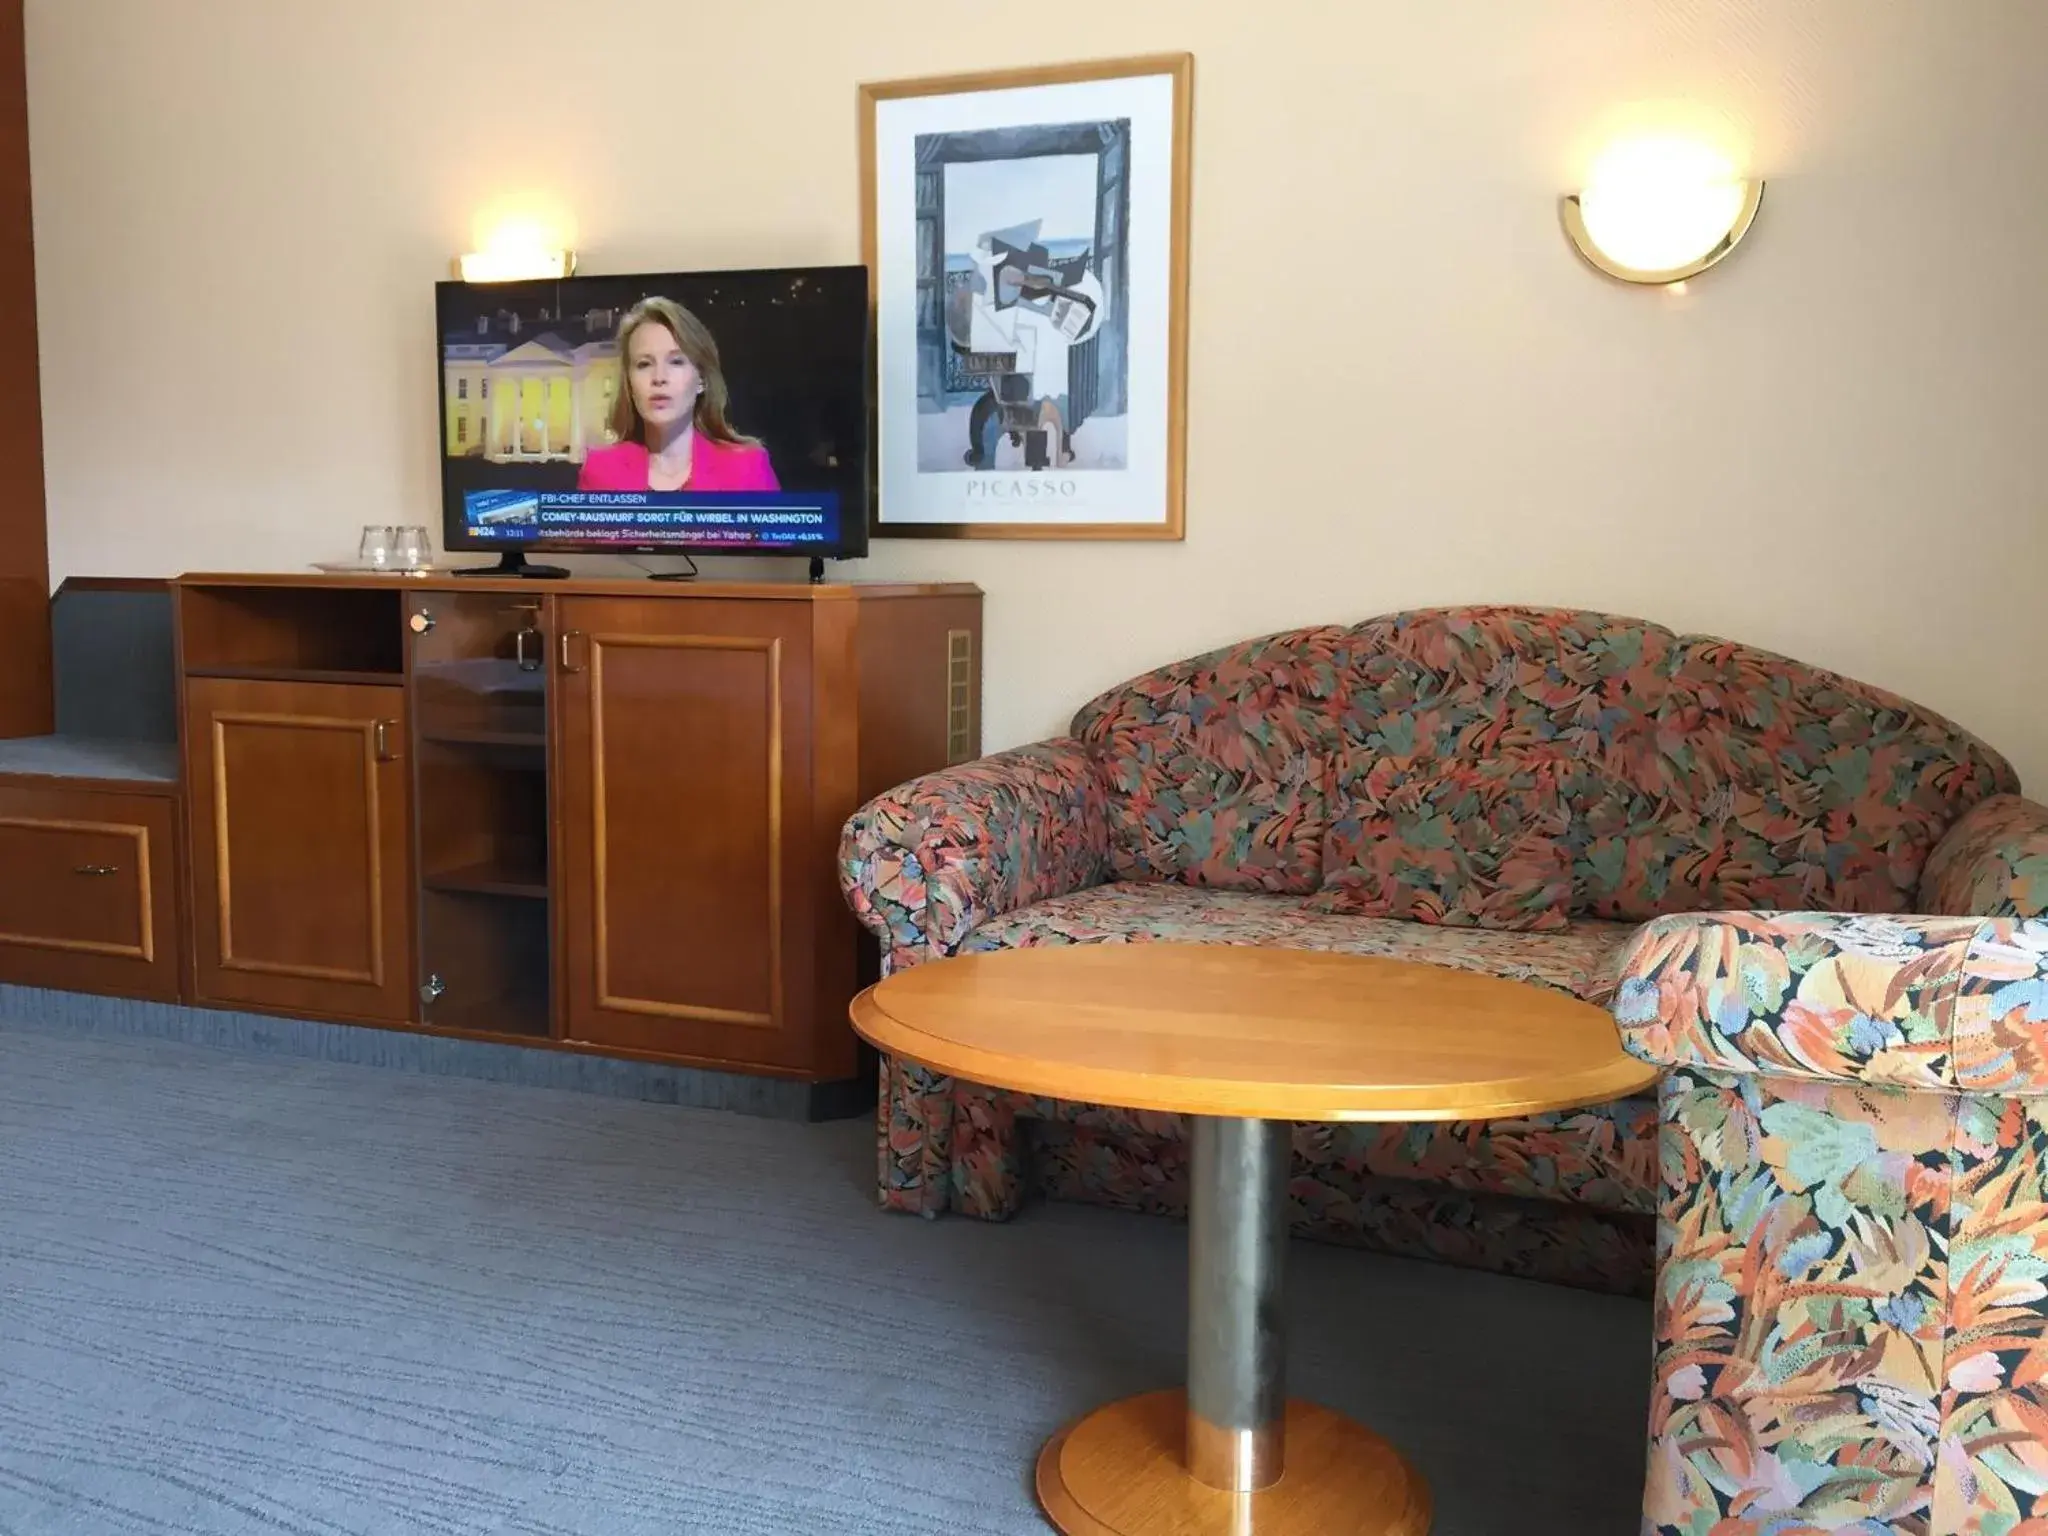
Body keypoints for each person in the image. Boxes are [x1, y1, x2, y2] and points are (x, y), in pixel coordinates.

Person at [578, 296, 780, 492]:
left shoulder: (747, 468)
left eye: (676, 362)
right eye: (644, 364)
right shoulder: (600, 472)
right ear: (629, 384)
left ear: (701, 379)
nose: (659, 378)